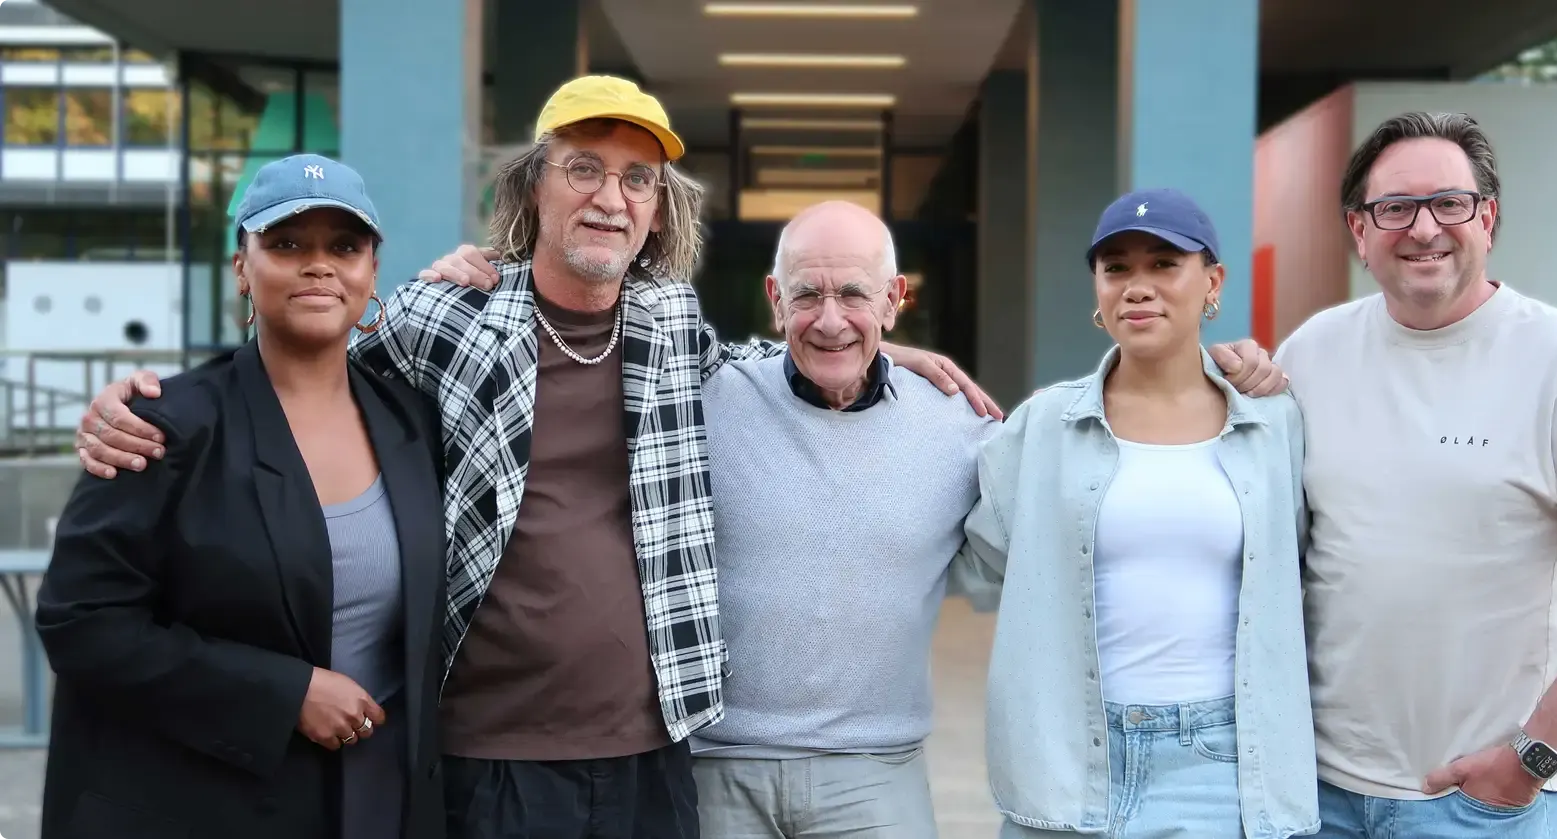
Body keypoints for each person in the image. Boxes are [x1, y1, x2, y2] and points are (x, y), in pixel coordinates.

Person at [64, 75, 1000, 839]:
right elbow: (304, 361)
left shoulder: (672, 321)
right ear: (534, 189)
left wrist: (880, 350)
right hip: (489, 755)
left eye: (637, 180)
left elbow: (769, 356)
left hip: (654, 750)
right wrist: (145, 404)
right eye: (583, 169)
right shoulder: (445, 316)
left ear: (657, 210)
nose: (610, 197)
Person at [34, 154, 448, 839]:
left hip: (380, 795)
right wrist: (284, 694)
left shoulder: (411, 420)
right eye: (286, 244)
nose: (319, 265)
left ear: (372, 272)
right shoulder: (162, 427)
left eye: (344, 247)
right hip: (208, 803)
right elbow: (81, 622)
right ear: (241, 269)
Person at [1273, 112, 1557, 838]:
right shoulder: (1311, 353)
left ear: (1487, 219)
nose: (1424, 227)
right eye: (1395, 208)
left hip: (1483, 808)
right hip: (1316, 797)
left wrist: (1529, 759)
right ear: (1359, 230)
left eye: (1449, 203)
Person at [954, 188, 1319, 839]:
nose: (1137, 286)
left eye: (1164, 264)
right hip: (1066, 761)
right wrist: (890, 358)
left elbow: (1304, 560)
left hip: (1219, 765)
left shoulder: (1273, 423)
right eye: (1116, 267)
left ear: (1213, 282)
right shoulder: (1043, 426)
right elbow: (979, 557)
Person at [683, 199, 998, 838]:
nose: (830, 321)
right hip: (714, 770)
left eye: (854, 294)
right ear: (776, 301)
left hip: (875, 773)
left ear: (893, 300)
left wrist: (1209, 378)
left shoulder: (959, 426)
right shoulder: (703, 399)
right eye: (807, 295)